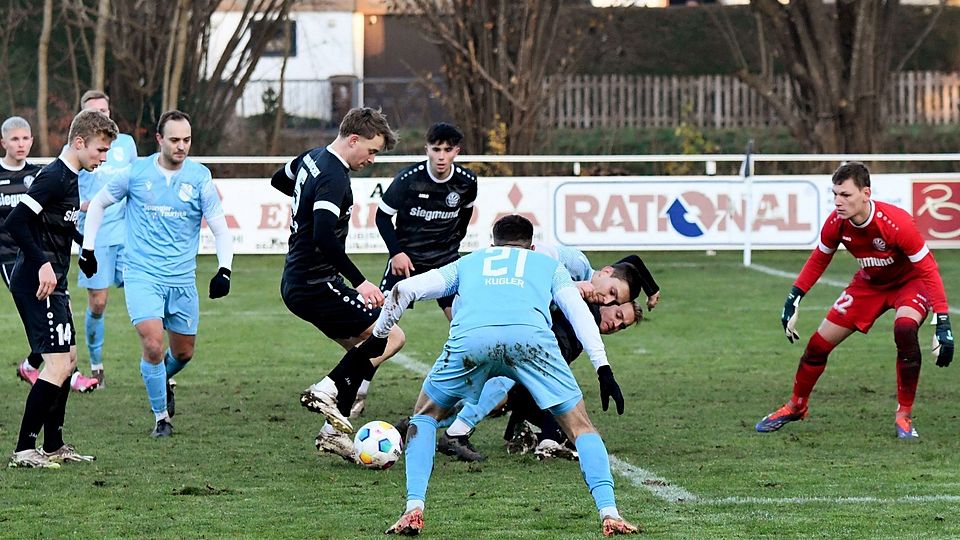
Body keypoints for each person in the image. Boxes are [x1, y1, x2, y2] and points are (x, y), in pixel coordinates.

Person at [365, 214, 640, 536]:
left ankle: (414, 508)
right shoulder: (548, 265)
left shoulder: (470, 262)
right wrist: (602, 368)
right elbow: (578, 312)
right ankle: (610, 512)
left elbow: (405, 289)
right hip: (531, 342)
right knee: (581, 428)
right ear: (532, 246)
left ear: (492, 242)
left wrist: (378, 336)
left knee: (424, 416)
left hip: (472, 341)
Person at [756, 162, 954, 439]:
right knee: (817, 345)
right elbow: (819, 259)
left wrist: (942, 319)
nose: (838, 201)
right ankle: (796, 406)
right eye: (835, 194)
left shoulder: (896, 223)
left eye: (845, 195)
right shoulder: (836, 223)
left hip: (909, 284)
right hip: (869, 285)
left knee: (905, 329)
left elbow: (928, 270)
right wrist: (794, 297)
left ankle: (903, 416)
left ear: (866, 194)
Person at [81, 110, 234, 438]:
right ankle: (161, 417)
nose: (182, 146)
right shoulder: (135, 172)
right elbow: (97, 205)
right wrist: (88, 249)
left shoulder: (199, 177)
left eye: (187, 140)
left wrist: (225, 270)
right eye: (175, 140)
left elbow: (221, 229)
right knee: (152, 343)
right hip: (141, 275)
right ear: (159, 139)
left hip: (181, 280)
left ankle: (163, 375)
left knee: (183, 353)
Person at [270, 106, 406, 460]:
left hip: (297, 281)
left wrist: (304, 204)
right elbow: (324, 238)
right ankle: (327, 389)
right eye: (372, 150)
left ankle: (334, 430)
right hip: (316, 283)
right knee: (392, 336)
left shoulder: (312, 158)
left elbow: (279, 179)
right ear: (354, 139)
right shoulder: (334, 176)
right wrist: (361, 282)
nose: (372, 159)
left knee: (363, 354)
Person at [433, 250, 658, 462]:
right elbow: (538, 255)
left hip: (496, 314)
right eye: (615, 305)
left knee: (499, 382)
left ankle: (427, 421)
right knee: (508, 377)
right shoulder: (577, 267)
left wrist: (651, 288)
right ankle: (454, 430)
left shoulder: (585, 305)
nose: (608, 302)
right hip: (491, 307)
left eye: (621, 322)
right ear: (606, 271)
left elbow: (631, 263)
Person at [4, 109, 117, 468]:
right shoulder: (52, 177)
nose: (103, 158)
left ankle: (54, 445)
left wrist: (85, 249)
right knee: (54, 364)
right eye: (100, 150)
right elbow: (16, 222)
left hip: (56, 281)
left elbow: (60, 225)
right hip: (36, 283)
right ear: (80, 143)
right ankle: (24, 449)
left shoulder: (72, 177)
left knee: (67, 361)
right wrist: (43, 263)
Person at [355, 122, 477, 417]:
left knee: (466, 327)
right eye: (436, 149)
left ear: (456, 152)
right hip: (406, 263)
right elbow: (383, 218)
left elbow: (465, 215)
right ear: (427, 149)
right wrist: (396, 252)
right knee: (381, 327)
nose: (441, 156)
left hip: (447, 263)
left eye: (447, 150)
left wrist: (451, 248)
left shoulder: (466, 182)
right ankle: (357, 390)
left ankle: (467, 394)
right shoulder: (408, 179)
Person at [74, 90, 139, 390]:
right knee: (98, 304)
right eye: (94, 112)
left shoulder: (126, 144)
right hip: (96, 236)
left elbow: (138, 183)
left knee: (145, 296)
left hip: (128, 235)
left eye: (104, 110)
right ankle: (97, 365)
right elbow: (68, 192)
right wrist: (90, 204)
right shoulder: (77, 149)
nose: (101, 116)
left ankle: (159, 364)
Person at [1, 116, 45, 386]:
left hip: (33, 254)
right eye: (15, 139)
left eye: (25, 138)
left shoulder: (38, 174)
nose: (21, 144)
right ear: (3, 142)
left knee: (45, 314)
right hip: (7, 257)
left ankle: (33, 365)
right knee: (36, 314)